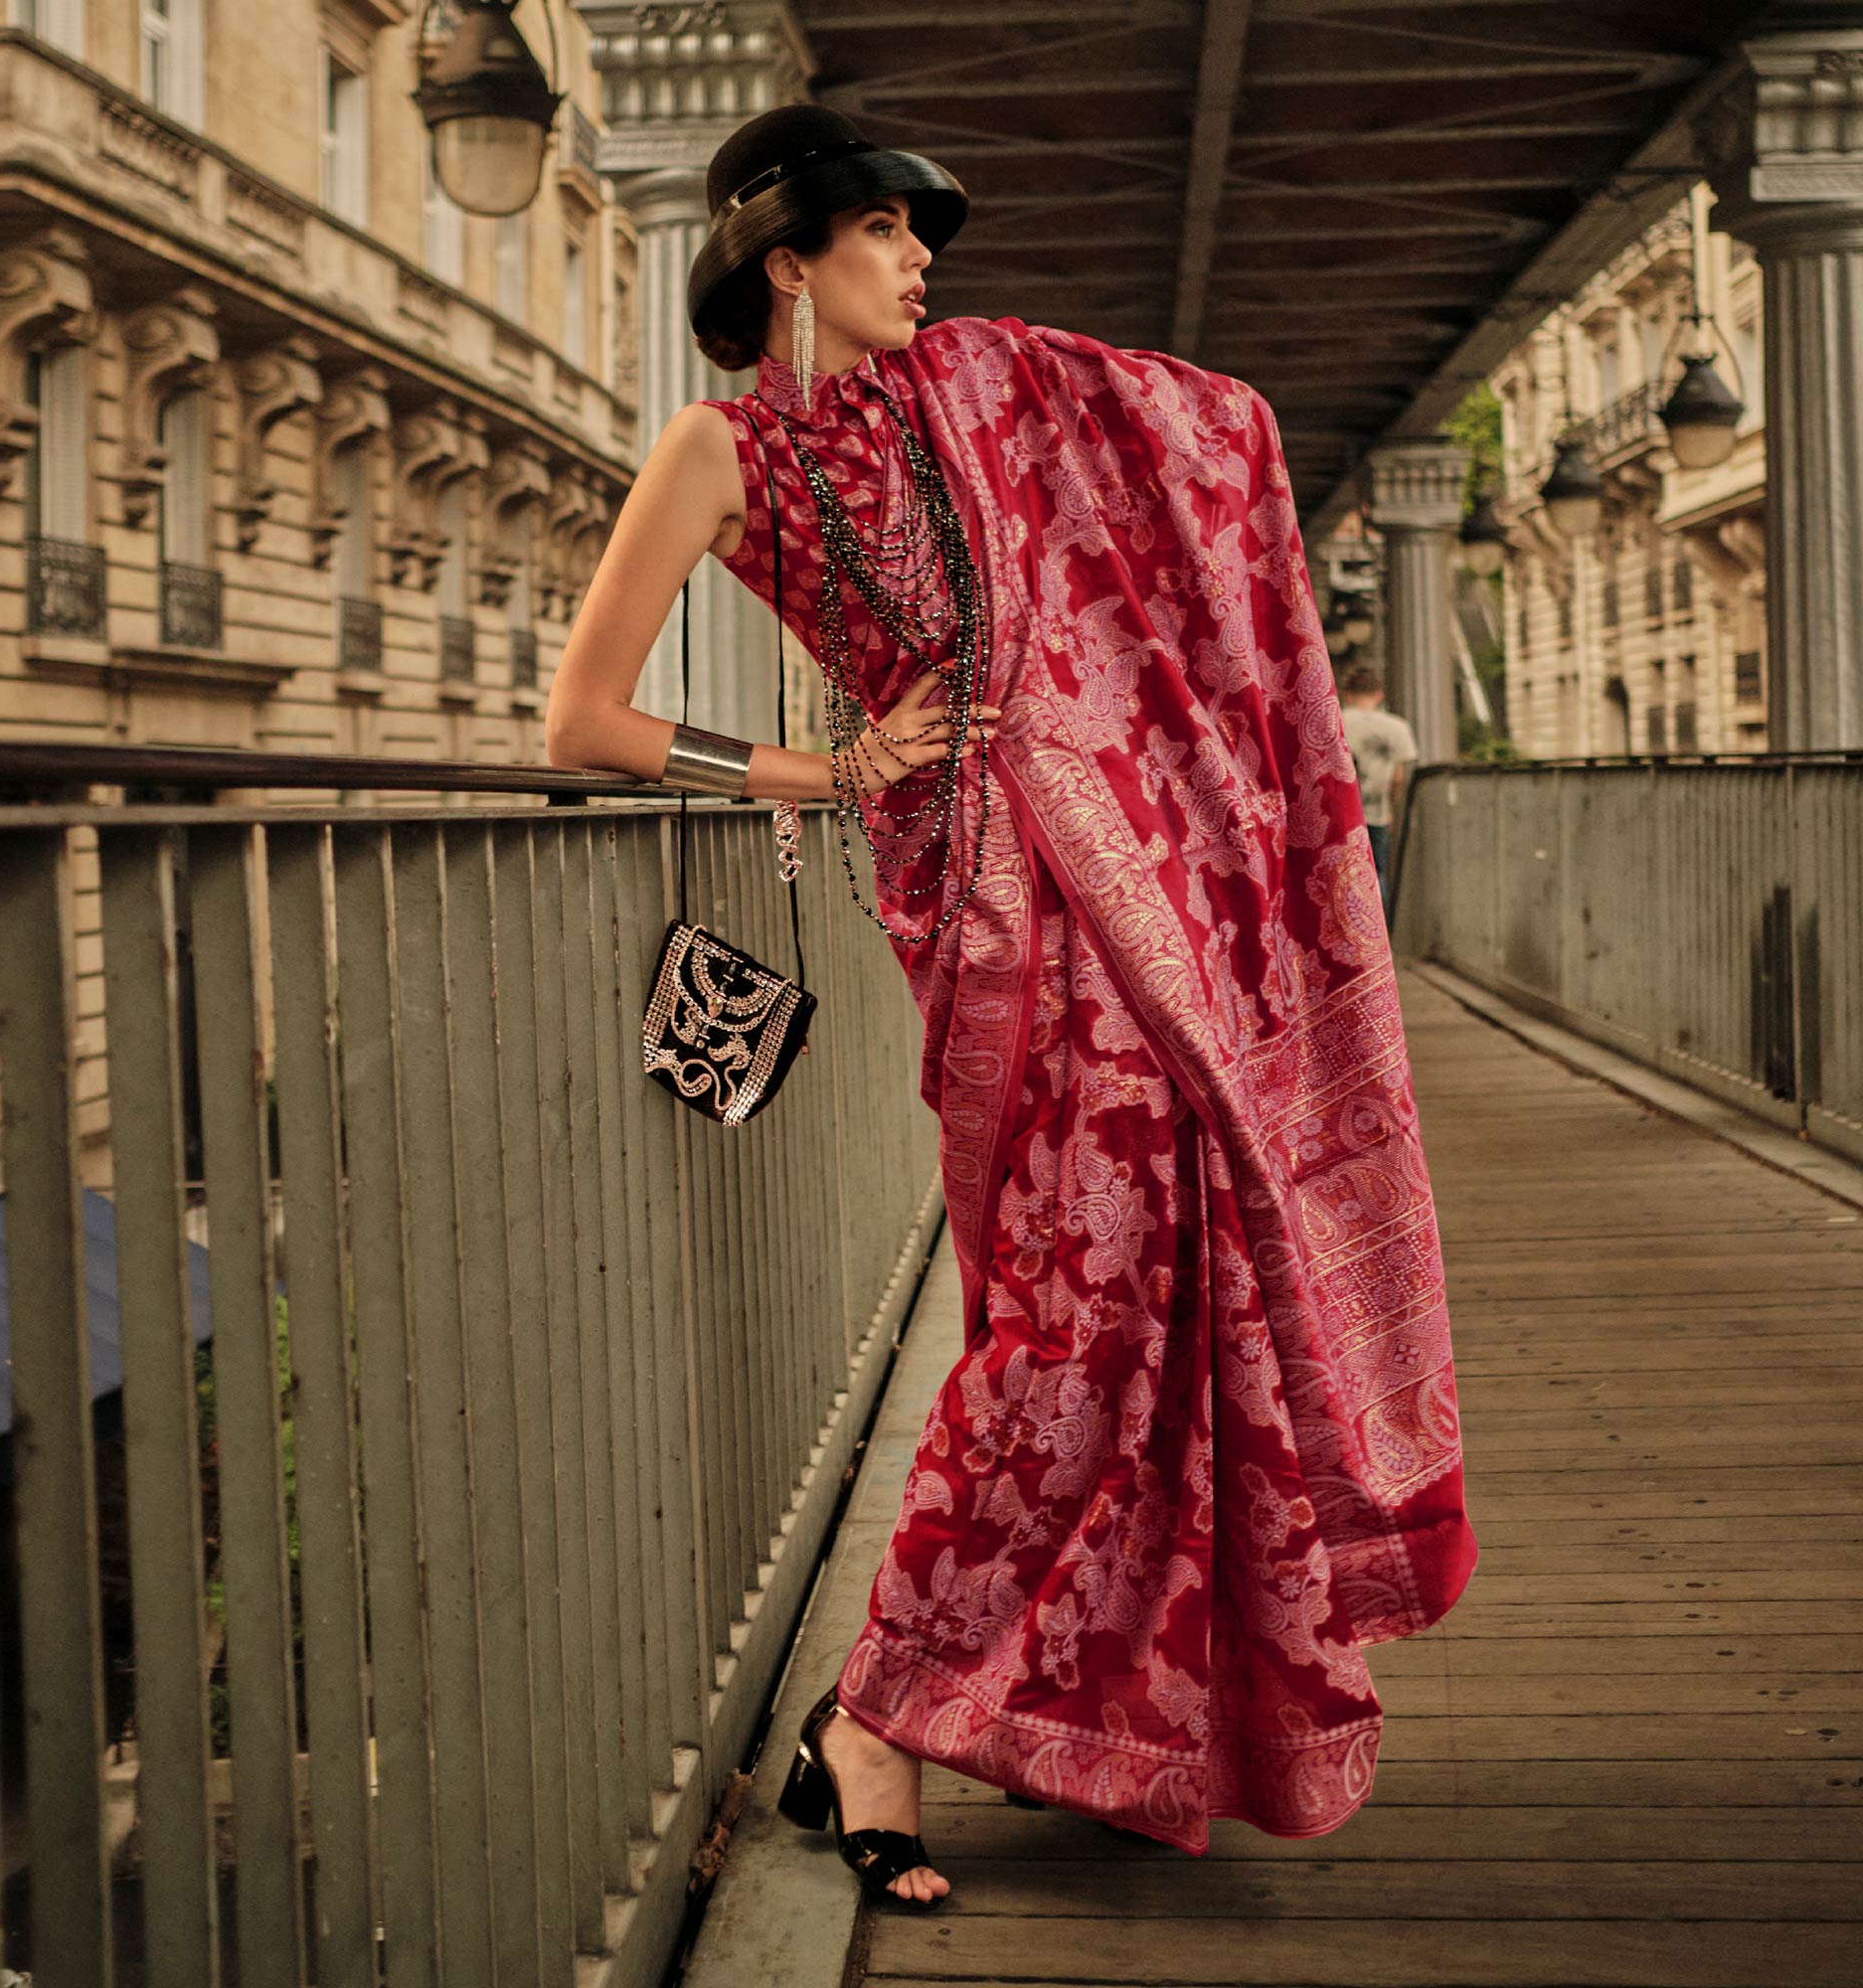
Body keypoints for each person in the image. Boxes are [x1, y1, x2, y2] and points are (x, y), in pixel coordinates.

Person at [545, 104, 1478, 1911]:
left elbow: (1220, 434)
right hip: (977, 907)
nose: (920, 263)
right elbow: (584, 720)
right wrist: (824, 770)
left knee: (1159, 1293)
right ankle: (880, 1717)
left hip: (1125, 895)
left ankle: (1093, 1712)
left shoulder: (981, 390)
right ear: (786, 262)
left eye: (922, 236)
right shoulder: (716, 451)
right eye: (883, 234)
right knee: (1069, 1322)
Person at [1337, 664, 1419, 911]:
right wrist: (1390, 808)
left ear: (1347, 694)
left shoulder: (1337, 721)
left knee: (1340, 873)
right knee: (1375, 872)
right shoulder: (1398, 727)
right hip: (1377, 811)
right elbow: (1398, 778)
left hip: (1341, 813)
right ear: (1379, 695)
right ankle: (1377, 928)